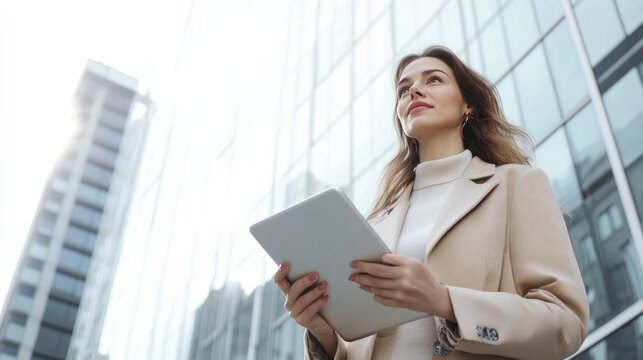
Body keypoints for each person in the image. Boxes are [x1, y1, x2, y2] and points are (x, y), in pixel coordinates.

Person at [272, 45, 589, 359]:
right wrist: (321, 332)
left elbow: (565, 323)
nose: (414, 91)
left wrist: (445, 301)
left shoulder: (516, 185)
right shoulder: (375, 223)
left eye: (433, 80)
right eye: (404, 89)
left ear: (468, 105)